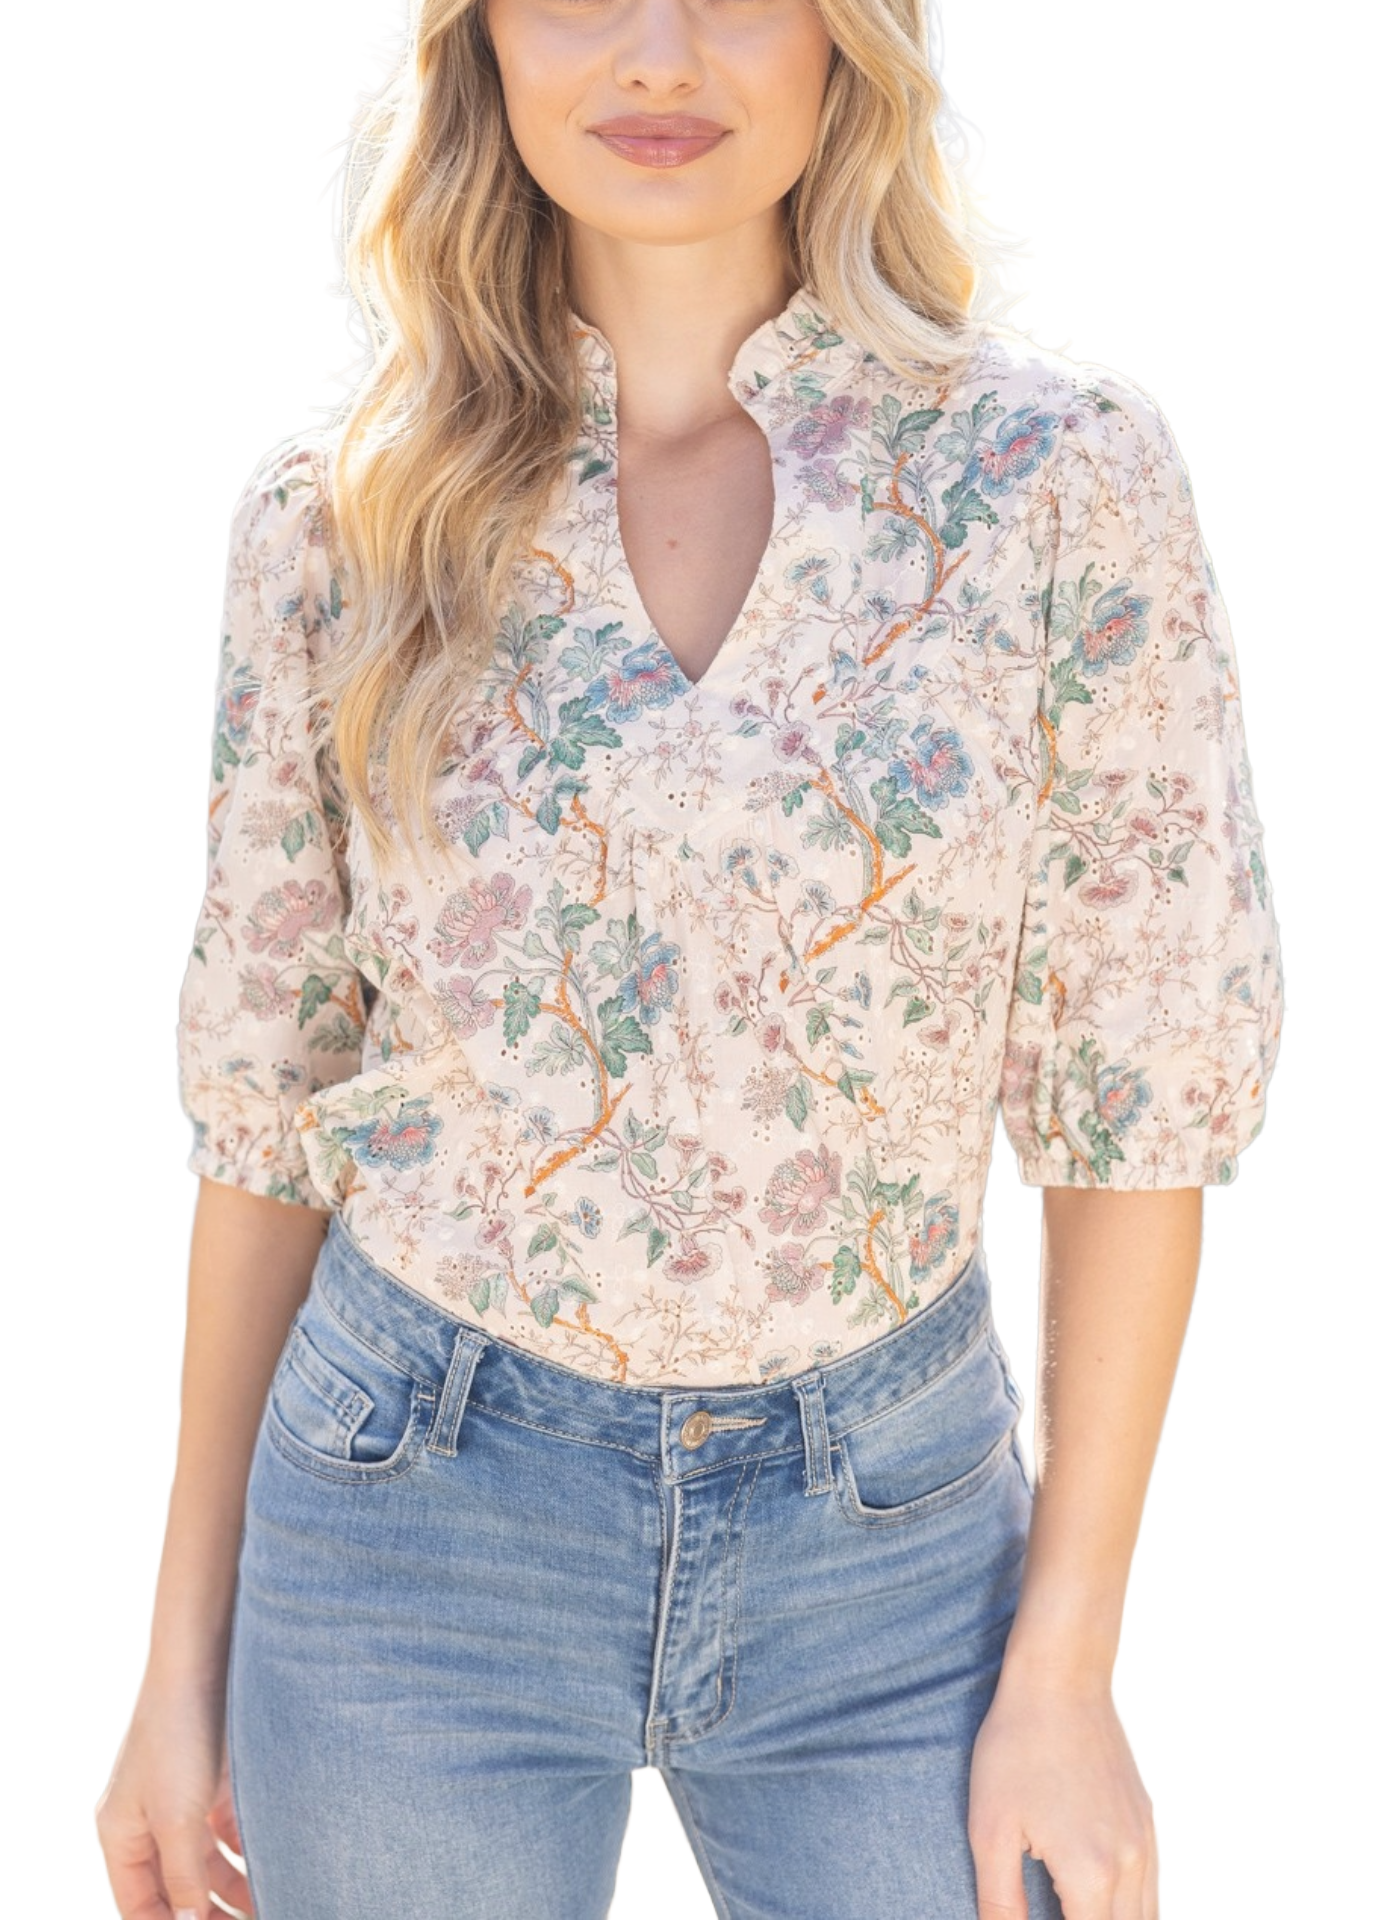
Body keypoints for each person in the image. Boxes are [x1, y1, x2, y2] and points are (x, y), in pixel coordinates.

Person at [94, 0, 1284, 1913]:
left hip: (895, 1548)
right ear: (483, 40)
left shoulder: (1053, 482)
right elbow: (272, 1114)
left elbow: (1135, 1099)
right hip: (410, 1530)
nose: (657, 56)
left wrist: (1067, 1671)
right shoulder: (341, 520)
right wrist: (178, 1665)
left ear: (845, 37)